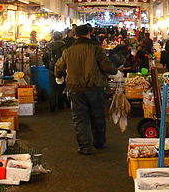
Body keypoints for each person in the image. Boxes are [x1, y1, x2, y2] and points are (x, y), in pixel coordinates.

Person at [55, 24, 117, 155]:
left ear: (75, 35)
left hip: (75, 89)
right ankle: (99, 142)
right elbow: (107, 66)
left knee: (80, 118)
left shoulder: (68, 51)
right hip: (95, 88)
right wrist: (114, 71)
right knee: (98, 116)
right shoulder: (96, 49)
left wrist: (59, 76)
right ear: (89, 33)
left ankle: (85, 147)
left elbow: (59, 66)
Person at [42, 31, 67, 112]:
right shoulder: (64, 46)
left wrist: (48, 66)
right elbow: (66, 58)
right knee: (61, 86)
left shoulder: (48, 46)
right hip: (62, 68)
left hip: (51, 68)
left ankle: (52, 105)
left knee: (52, 87)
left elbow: (44, 58)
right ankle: (60, 104)